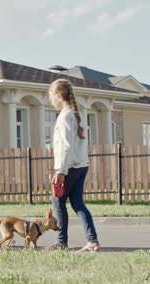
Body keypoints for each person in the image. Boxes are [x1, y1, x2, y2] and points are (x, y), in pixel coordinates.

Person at [48, 78, 100, 252]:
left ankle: (61, 242)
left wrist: (61, 170)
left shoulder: (65, 117)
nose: (51, 100)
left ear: (58, 95)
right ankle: (92, 241)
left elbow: (65, 146)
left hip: (70, 166)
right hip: (81, 164)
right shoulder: (75, 114)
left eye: (51, 96)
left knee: (57, 200)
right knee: (77, 203)